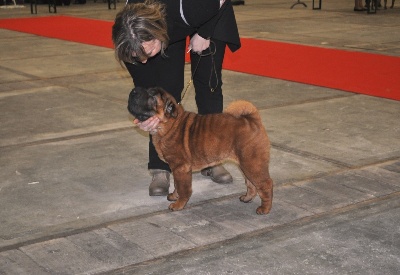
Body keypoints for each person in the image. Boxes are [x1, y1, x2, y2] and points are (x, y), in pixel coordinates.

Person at [112, 0, 241, 196]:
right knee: (165, 89)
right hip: (168, 22)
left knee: (209, 87)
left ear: (157, 35)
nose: (144, 60)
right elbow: (147, 87)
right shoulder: (127, 34)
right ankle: (159, 167)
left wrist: (205, 32)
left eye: (147, 53)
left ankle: (212, 158)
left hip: (208, 13)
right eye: (137, 57)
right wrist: (148, 116)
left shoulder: (190, 7)